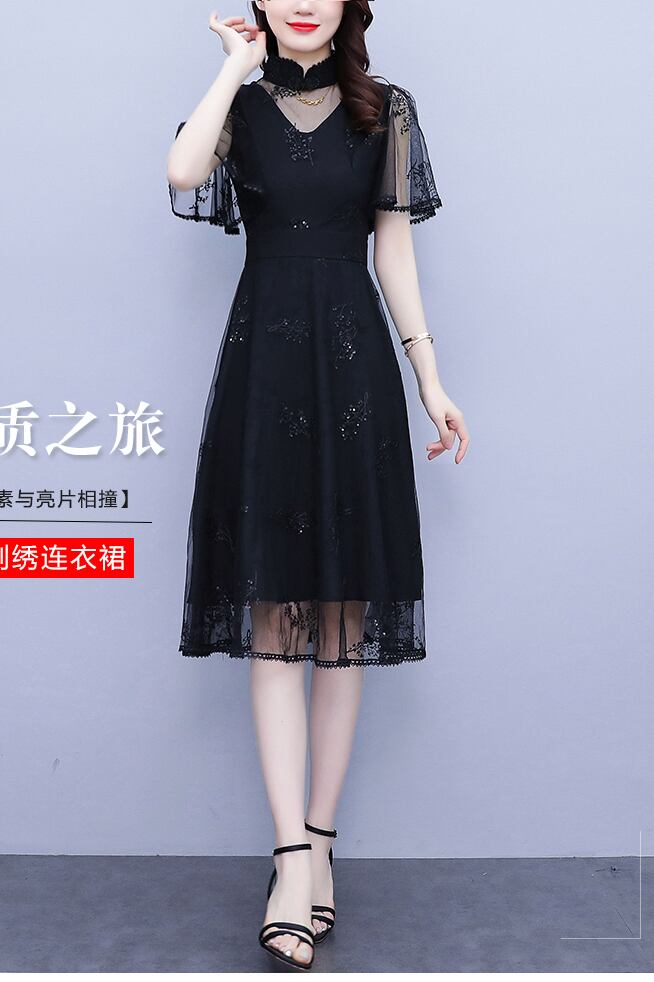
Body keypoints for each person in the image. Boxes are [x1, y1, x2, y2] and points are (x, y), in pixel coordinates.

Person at [166, 0, 469, 969]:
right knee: (275, 619)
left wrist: (429, 380)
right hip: (264, 373)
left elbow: (394, 251)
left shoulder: (387, 109)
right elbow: (183, 173)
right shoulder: (242, 108)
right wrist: (231, 67)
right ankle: (289, 861)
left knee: (341, 625)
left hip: (353, 377)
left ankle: (321, 844)